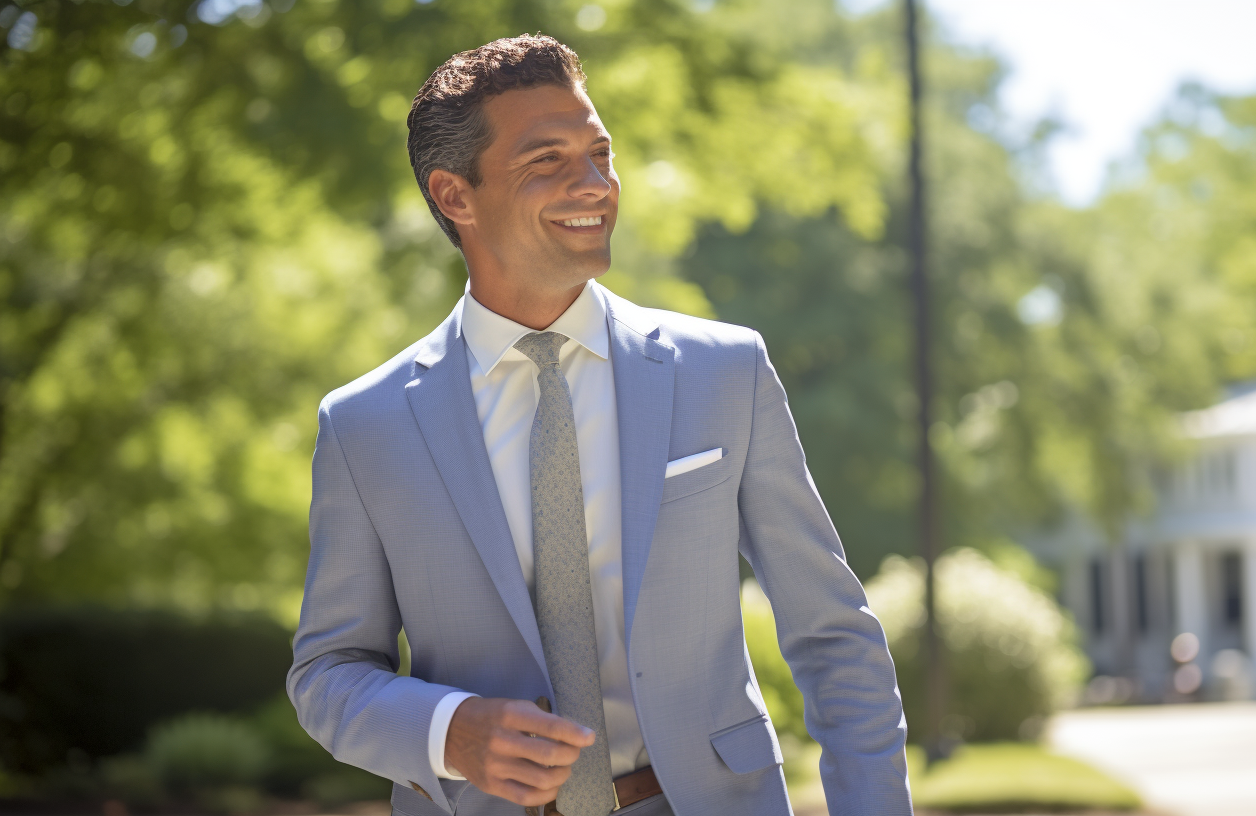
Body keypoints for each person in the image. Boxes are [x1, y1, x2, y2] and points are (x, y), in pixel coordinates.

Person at [287, 35, 911, 816]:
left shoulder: (723, 372)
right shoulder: (365, 426)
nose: (595, 184)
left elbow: (834, 635)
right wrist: (449, 732)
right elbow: (328, 671)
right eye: (546, 160)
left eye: (600, 152)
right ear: (455, 196)